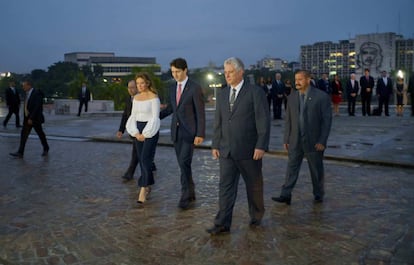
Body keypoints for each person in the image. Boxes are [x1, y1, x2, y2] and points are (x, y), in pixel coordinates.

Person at [207, 57, 270, 235]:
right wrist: (215, 144)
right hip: (226, 151)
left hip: (249, 150)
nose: (227, 75)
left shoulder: (255, 92)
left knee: (254, 186)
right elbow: (218, 122)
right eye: (225, 72)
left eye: (230, 72)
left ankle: (256, 216)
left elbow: (263, 121)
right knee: (225, 188)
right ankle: (222, 223)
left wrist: (261, 145)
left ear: (241, 72)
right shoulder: (222, 94)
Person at [272, 70, 332, 205]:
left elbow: (326, 122)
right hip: (295, 140)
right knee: (291, 168)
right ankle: (285, 194)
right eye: (295, 79)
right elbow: (289, 120)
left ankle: (318, 194)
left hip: (314, 141)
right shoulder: (292, 97)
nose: (296, 82)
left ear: (308, 80)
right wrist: (286, 138)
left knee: (316, 170)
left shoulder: (321, 97)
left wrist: (322, 141)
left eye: (299, 79)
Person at [160, 58, 206, 210]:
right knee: (183, 164)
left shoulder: (194, 88)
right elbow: (171, 108)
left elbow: (200, 113)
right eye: (173, 72)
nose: (175, 75)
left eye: (178, 72)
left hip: (190, 133)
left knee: (184, 162)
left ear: (185, 70)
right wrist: (154, 116)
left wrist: (200, 133)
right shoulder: (172, 88)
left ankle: (185, 195)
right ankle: (191, 190)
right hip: (176, 132)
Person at [126, 73, 160, 205]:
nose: (139, 86)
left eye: (142, 83)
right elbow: (133, 116)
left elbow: (155, 117)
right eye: (137, 83)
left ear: (147, 83)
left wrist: (146, 133)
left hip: (150, 130)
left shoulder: (154, 98)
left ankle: (143, 188)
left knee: (146, 158)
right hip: (137, 129)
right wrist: (135, 132)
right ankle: (148, 184)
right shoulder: (135, 98)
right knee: (141, 159)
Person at [10, 79, 49, 158]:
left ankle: (46, 148)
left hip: (35, 118)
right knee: (24, 135)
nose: (23, 87)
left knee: (40, 133)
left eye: (24, 86)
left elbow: (37, 107)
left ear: (29, 85)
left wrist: (31, 118)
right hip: (27, 118)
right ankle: (20, 152)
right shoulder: (27, 94)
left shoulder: (37, 93)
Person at [116, 80, 140, 182]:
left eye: (132, 87)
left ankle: (129, 173)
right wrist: (121, 130)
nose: (130, 90)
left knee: (135, 152)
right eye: (129, 87)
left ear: (137, 87)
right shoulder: (128, 99)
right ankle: (151, 164)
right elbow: (125, 115)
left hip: (141, 130)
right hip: (132, 130)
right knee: (140, 151)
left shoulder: (142, 99)